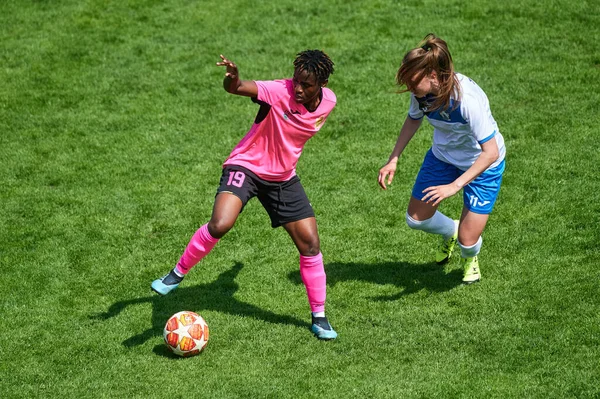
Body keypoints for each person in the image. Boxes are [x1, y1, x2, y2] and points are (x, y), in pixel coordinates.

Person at [152, 50, 338, 340]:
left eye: (307, 84)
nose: (298, 88)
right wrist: (234, 79)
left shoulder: (329, 102)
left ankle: (319, 317)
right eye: (296, 80)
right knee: (220, 223)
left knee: (311, 245)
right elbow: (238, 88)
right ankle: (175, 274)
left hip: (282, 178)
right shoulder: (279, 91)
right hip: (247, 166)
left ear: (322, 84)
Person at [378, 34, 506, 284]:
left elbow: (490, 152)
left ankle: (470, 258)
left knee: (468, 242)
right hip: (443, 158)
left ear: (433, 76)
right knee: (415, 219)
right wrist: (393, 158)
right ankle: (451, 230)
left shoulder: (465, 100)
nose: (409, 88)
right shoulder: (420, 93)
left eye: (413, 82)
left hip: (482, 164)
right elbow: (413, 119)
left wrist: (455, 186)